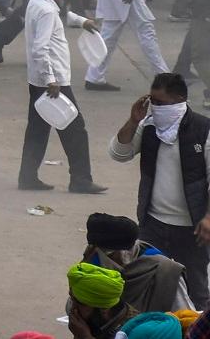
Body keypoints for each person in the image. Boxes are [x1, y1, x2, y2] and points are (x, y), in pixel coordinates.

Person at [110, 73, 210, 307]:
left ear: (180, 100)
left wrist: (208, 217)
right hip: (153, 225)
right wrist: (134, 120)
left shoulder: (203, 130)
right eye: (152, 101)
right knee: (145, 286)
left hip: (191, 229)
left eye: (162, 103)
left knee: (196, 291)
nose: (156, 108)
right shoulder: (148, 127)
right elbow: (119, 153)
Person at [20, 0, 107, 193]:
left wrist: (82, 21)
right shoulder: (49, 12)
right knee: (76, 130)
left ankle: (27, 177)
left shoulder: (36, 2)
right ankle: (81, 179)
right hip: (54, 83)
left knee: (37, 130)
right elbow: (40, 49)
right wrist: (51, 80)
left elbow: (63, 15)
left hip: (37, 80)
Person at [78, 212, 194, 314]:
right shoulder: (92, 262)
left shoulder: (166, 271)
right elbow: (73, 308)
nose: (98, 259)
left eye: (107, 255)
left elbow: (186, 318)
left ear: (124, 254)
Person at [66, 262, 128, 339]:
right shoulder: (94, 322)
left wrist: (85, 337)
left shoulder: (129, 332)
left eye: (78, 303)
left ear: (104, 309)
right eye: (72, 299)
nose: (73, 308)